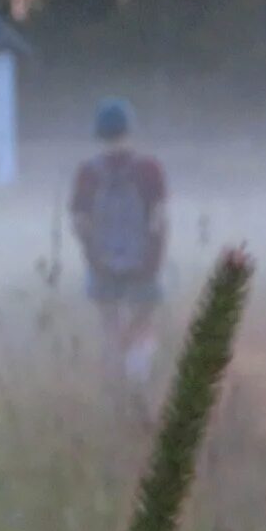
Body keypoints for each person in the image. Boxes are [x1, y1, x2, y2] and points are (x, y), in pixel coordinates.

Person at [71, 97, 168, 387]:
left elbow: (80, 222)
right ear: (129, 129)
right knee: (142, 323)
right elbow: (158, 219)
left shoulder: (88, 172)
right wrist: (153, 261)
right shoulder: (149, 169)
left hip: (102, 264)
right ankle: (137, 378)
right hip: (143, 263)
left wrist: (94, 258)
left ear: (99, 133)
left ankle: (114, 384)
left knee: (110, 326)